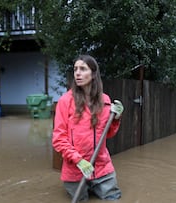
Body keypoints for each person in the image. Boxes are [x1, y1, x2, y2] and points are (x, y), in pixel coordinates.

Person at [52, 54, 124, 201]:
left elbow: (107, 133)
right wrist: (79, 160)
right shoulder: (65, 101)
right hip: (75, 169)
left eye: (83, 69)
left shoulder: (105, 100)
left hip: (102, 166)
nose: (77, 73)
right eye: (75, 69)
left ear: (93, 74)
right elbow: (59, 139)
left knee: (114, 198)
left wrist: (116, 119)